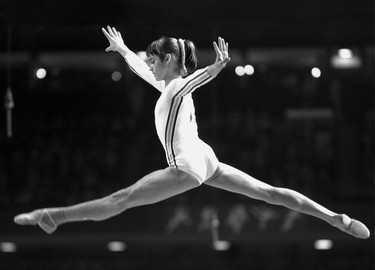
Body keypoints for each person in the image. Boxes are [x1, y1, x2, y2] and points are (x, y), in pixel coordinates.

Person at [14, 26, 370, 239]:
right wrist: (123, 49)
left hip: (187, 165)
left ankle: (53, 216)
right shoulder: (167, 87)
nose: (150, 63)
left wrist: (216, 68)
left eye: (154, 58)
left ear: (169, 60)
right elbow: (143, 71)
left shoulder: (177, 86)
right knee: (269, 193)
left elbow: (191, 82)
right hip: (204, 155)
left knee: (120, 200)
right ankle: (335, 219)